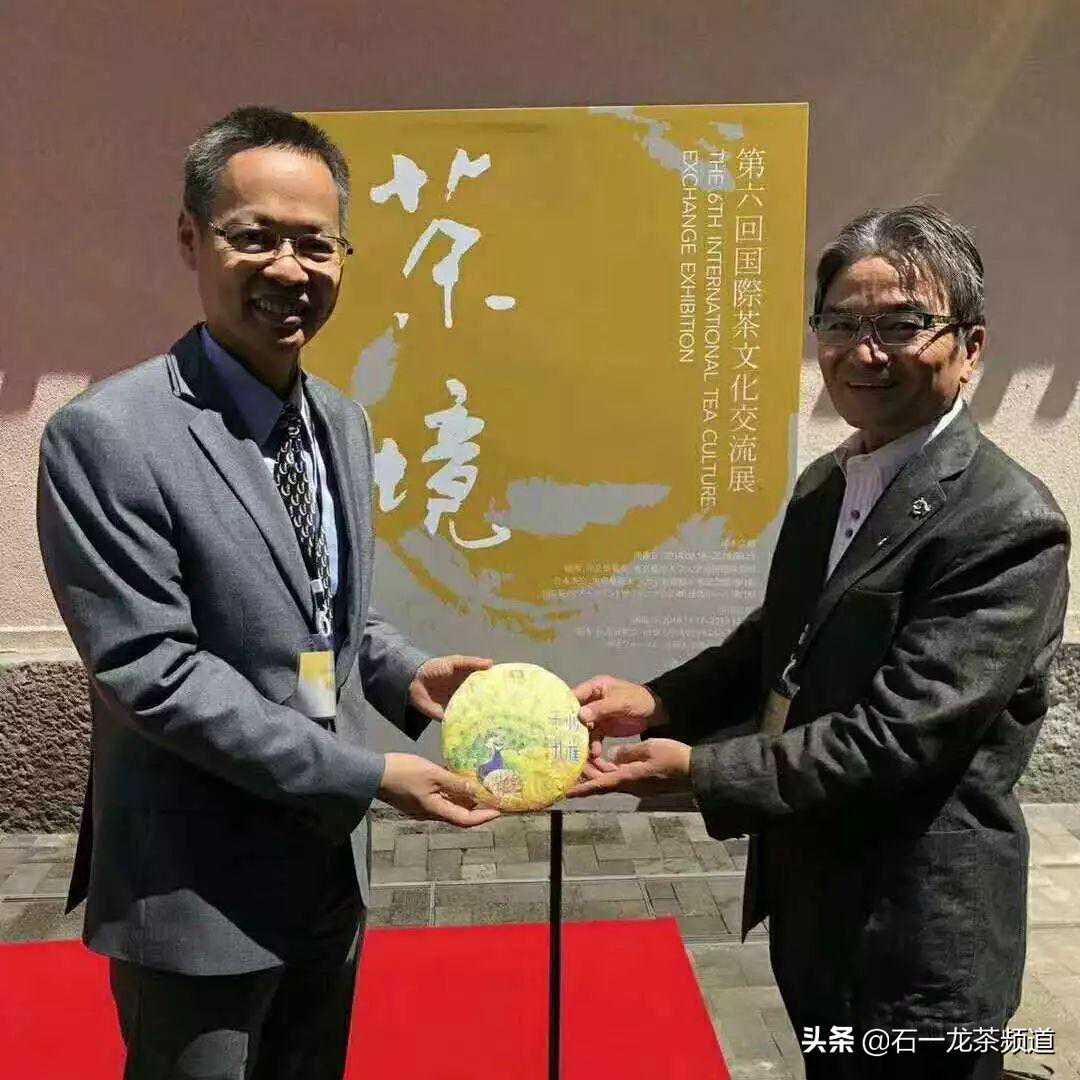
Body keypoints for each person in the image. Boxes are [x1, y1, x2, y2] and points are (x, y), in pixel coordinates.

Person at [37, 105, 499, 1080]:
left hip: (327, 871)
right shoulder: (109, 435)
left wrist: (408, 676)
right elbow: (153, 671)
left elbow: (326, 610)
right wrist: (364, 776)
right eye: (255, 238)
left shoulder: (342, 422)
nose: (289, 269)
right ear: (191, 239)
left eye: (315, 244)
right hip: (195, 889)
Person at [568, 205, 1070, 1079]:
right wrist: (660, 701)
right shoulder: (828, 483)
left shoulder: (1005, 521)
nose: (863, 352)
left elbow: (899, 737)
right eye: (840, 324)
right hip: (814, 909)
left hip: (915, 933)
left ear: (971, 347)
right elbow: (780, 636)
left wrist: (699, 771)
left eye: (901, 325)